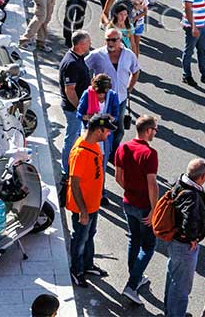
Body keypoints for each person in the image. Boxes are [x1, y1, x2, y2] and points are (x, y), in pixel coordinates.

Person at [115, 115, 160, 305]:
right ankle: (132, 285)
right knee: (149, 246)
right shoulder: (150, 154)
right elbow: (152, 185)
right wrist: (153, 210)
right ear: (148, 130)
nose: (155, 133)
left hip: (128, 202)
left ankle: (136, 275)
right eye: (155, 130)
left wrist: (130, 190)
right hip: (143, 206)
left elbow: (118, 177)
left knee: (134, 239)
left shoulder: (123, 147)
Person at [68, 114, 115, 288]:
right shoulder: (80, 153)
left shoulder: (93, 144)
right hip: (84, 208)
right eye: (107, 130)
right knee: (80, 238)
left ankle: (88, 265)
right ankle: (76, 270)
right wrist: (83, 210)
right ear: (98, 130)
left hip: (93, 204)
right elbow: (74, 183)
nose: (109, 133)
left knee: (89, 235)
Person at [164, 158, 205, 317]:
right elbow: (189, 220)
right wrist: (192, 238)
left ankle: (170, 312)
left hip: (174, 242)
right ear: (202, 177)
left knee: (173, 277)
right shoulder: (191, 195)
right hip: (183, 245)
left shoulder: (180, 183)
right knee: (182, 286)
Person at [86, 30, 140, 165]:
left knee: (119, 129)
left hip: (120, 99)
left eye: (113, 40)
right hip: (102, 100)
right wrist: (90, 88)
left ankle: (112, 153)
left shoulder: (129, 55)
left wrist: (129, 87)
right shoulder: (97, 55)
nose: (110, 43)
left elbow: (136, 71)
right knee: (100, 128)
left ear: (120, 40)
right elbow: (83, 67)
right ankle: (98, 153)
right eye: (107, 40)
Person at [59, 31, 92, 175]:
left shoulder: (76, 57)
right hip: (73, 109)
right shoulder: (72, 63)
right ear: (80, 44)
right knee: (71, 138)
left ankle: (72, 163)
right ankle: (66, 170)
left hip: (75, 108)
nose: (90, 45)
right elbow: (70, 90)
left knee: (76, 135)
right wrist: (81, 109)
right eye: (88, 42)